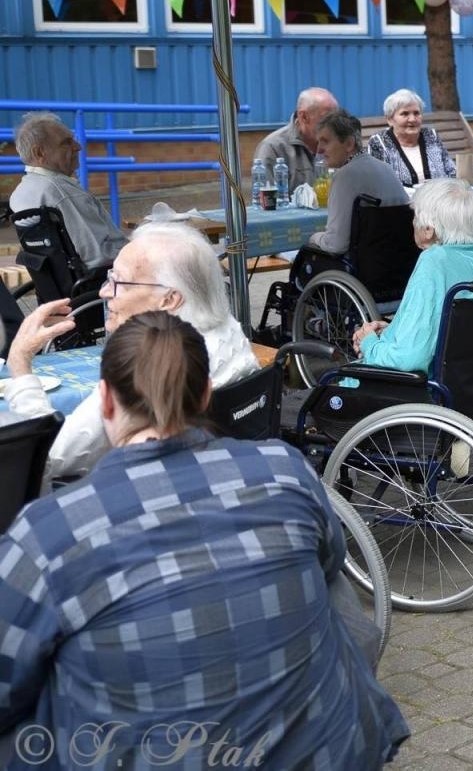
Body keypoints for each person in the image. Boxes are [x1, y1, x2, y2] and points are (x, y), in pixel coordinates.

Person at [0, 311, 409, 767]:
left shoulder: (48, 532)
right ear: (206, 395)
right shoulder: (285, 469)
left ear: (106, 403)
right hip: (327, 751)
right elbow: (330, 563)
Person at [2, 222, 264, 484]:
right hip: (221, 476)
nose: (104, 291)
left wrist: (20, 363)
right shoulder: (228, 329)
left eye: (119, 281)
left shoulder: (147, 367)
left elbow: (48, 457)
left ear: (169, 299)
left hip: (143, 490)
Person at [351, 179, 473, 370]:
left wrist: (369, 343)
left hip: (423, 380)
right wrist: (393, 329)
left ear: (428, 229)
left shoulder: (434, 261)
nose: (412, 222)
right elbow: (453, 329)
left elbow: (410, 359)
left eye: (415, 216)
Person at [298, 109, 409, 284]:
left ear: (349, 144)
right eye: (318, 141)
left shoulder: (345, 176)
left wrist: (314, 237)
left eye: (325, 141)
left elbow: (336, 245)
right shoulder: (386, 168)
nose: (319, 149)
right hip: (398, 271)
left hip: (363, 275)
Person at [8, 111, 127, 269]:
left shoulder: (21, 192)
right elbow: (99, 256)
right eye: (66, 143)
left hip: (60, 279)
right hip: (107, 277)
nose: (78, 147)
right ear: (39, 153)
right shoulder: (62, 193)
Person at [367, 87, 456, 187]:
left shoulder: (431, 136)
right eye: (405, 114)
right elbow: (377, 183)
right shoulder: (379, 143)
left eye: (416, 113)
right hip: (401, 197)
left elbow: (451, 171)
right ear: (390, 119)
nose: (412, 119)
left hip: (439, 195)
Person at [254, 85, 339, 190]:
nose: (333, 124)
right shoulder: (273, 148)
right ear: (304, 117)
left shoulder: (339, 144)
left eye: (336, 117)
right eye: (327, 117)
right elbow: (266, 196)